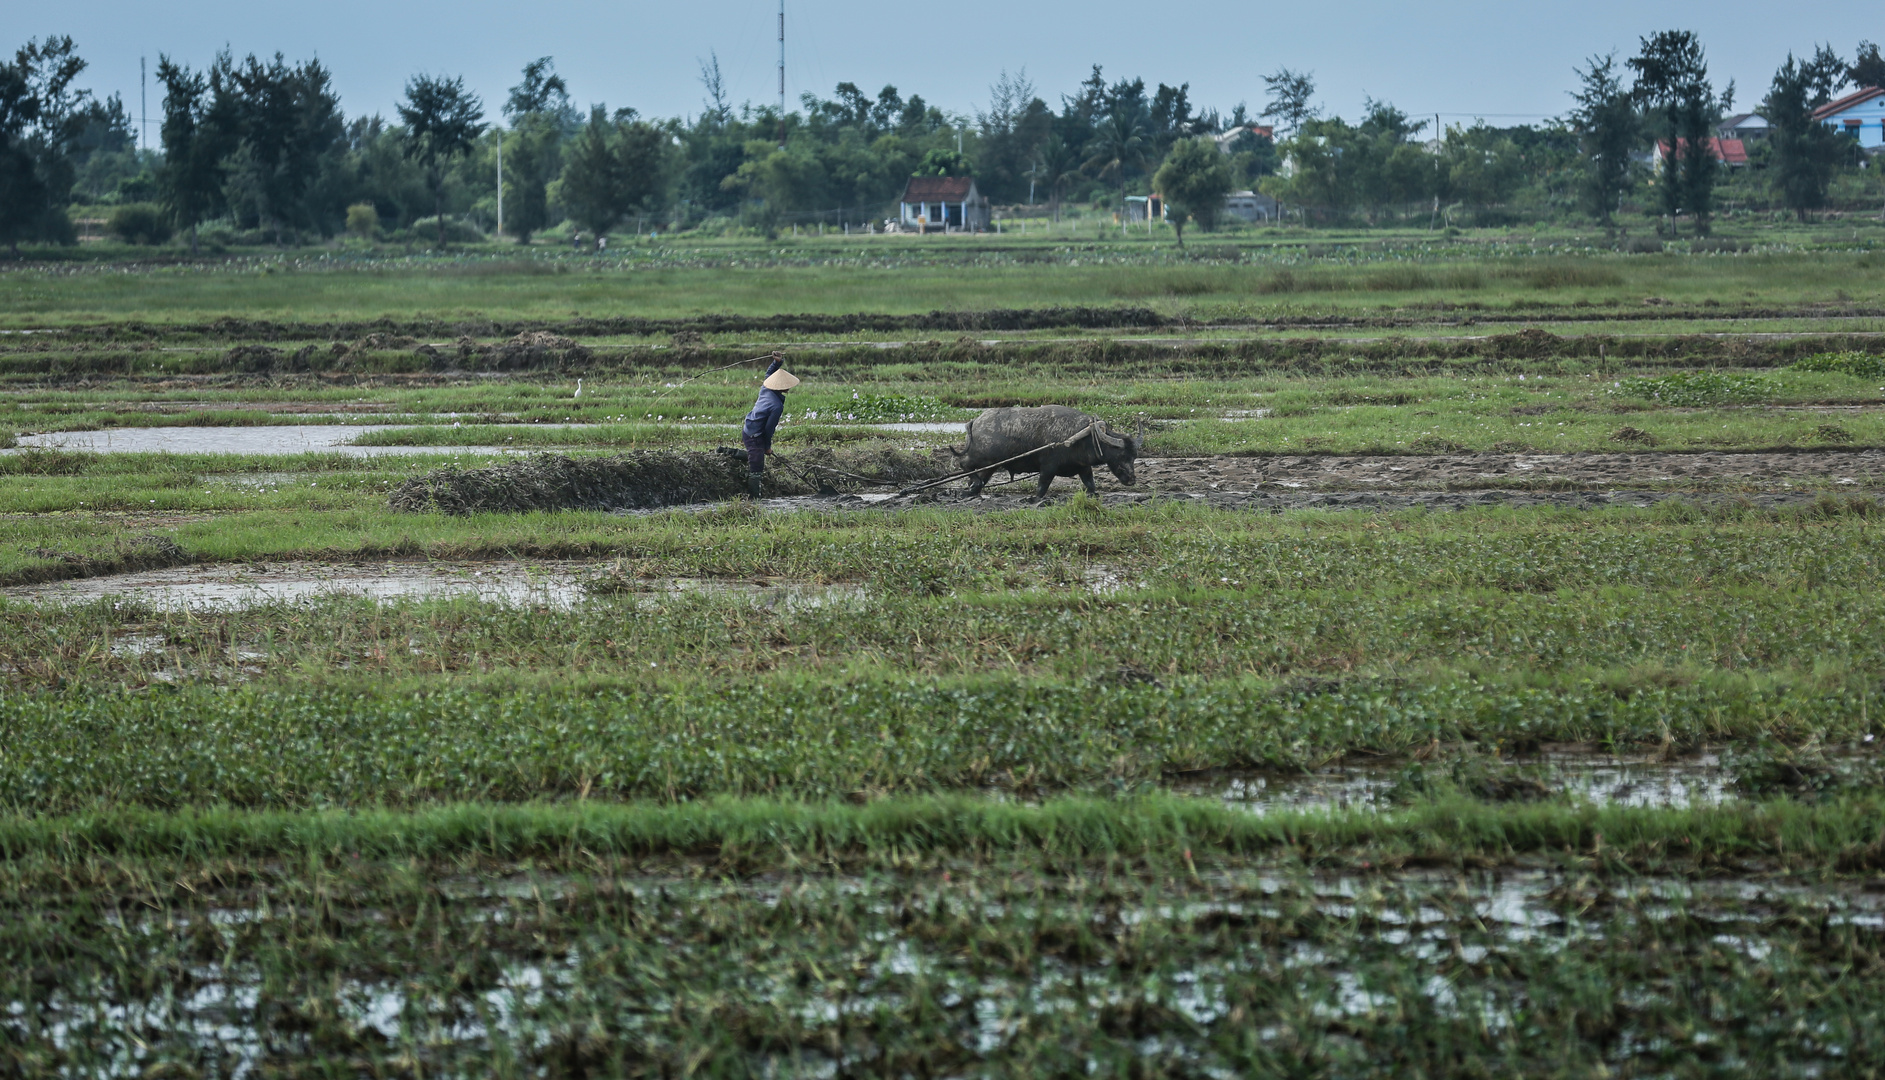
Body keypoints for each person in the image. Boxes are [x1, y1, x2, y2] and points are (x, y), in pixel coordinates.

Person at [741, 353, 798, 498]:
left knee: (755, 453)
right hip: (754, 434)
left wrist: (777, 363)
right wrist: (767, 446)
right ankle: (754, 497)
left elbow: (769, 374)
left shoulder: (766, 388)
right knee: (757, 465)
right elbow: (769, 429)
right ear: (784, 387)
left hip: (749, 428)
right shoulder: (776, 405)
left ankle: (730, 453)